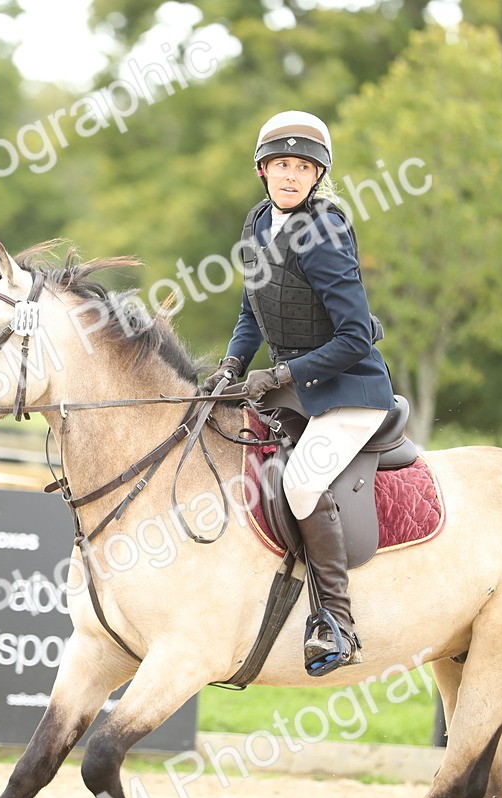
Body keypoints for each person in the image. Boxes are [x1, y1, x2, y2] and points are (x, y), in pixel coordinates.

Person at [202, 110, 395, 676]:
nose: (290, 176)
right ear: (262, 171)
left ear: (317, 176)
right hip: (302, 389)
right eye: (281, 165)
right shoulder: (260, 223)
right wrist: (233, 364)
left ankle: (336, 621)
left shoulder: (326, 231)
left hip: (351, 390)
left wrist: (282, 375)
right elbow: (254, 308)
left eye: (302, 168)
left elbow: (356, 336)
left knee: (301, 479)